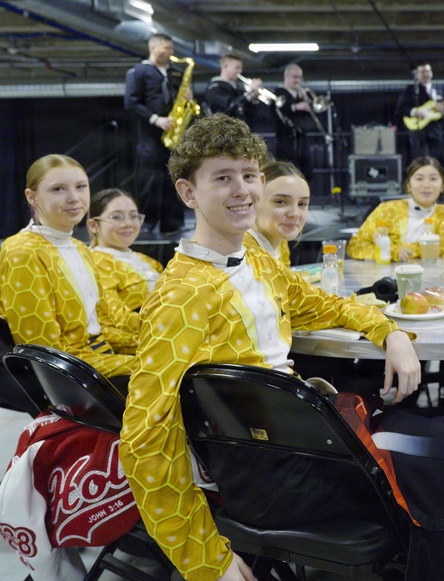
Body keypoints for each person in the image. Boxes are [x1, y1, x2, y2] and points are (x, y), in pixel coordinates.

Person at [119, 114, 423, 581]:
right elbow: (145, 440)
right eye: (222, 178)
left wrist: (390, 331)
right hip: (270, 470)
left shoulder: (255, 255)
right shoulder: (181, 294)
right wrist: (205, 561)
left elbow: (318, 303)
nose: (242, 190)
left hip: (302, 441)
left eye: (248, 176)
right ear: (188, 193)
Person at [0, 155, 137, 379]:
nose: (74, 198)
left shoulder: (79, 247)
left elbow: (105, 322)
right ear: (32, 197)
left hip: (101, 353)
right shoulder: (22, 252)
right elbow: (44, 351)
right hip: (73, 371)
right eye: (58, 189)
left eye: (81, 187)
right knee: (177, 371)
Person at [124, 33, 186, 237]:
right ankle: (146, 226)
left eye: (171, 48)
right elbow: (131, 103)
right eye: (167, 48)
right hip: (150, 136)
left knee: (174, 180)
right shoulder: (139, 72)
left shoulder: (174, 72)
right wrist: (155, 119)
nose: (171, 52)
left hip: (173, 137)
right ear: (154, 47)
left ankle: (173, 224)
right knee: (149, 181)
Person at [347, 156, 444, 261]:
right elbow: (356, 246)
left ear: (442, 186)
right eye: (419, 179)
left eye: (433, 179)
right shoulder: (387, 210)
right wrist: (393, 252)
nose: (426, 185)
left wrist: (395, 249)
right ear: (408, 185)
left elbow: (443, 246)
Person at [88, 188, 164, 312]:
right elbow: (114, 317)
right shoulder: (93, 263)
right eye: (116, 217)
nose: (128, 223)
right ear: (94, 226)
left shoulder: (148, 261)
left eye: (133, 216)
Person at [243, 160, 310, 268]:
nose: (295, 213)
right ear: (253, 201)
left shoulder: (280, 244)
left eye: (302, 204)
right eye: (281, 202)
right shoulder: (240, 253)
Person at [272, 62, 320, 183]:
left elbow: (312, 113)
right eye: (295, 77)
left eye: (300, 77)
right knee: (286, 171)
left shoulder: (301, 93)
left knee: (307, 170)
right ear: (286, 75)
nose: (298, 80)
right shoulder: (279, 92)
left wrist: (307, 100)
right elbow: (277, 111)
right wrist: (296, 106)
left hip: (301, 136)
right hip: (286, 137)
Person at [395, 63, 444, 161]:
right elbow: (400, 109)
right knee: (421, 161)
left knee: (435, 161)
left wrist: (443, 112)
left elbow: (443, 115)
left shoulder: (439, 91)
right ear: (417, 75)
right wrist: (414, 112)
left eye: (428, 71)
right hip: (418, 132)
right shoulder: (411, 90)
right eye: (422, 72)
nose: (426, 74)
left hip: (435, 132)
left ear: (431, 73)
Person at [204, 53, 261, 123]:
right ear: (225, 66)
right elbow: (229, 107)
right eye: (237, 67)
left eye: (241, 68)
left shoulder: (238, 88)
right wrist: (249, 94)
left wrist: (254, 98)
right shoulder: (214, 88)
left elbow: (248, 114)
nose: (240, 71)